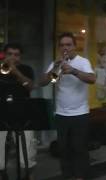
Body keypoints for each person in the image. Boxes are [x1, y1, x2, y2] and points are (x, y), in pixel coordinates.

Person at [40, 32, 96, 180]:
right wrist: (55, 67)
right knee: (63, 149)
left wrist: (73, 71)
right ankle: (68, 176)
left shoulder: (83, 62)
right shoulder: (56, 63)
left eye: (68, 45)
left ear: (74, 46)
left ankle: (80, 177)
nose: (65, 48)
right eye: (62, 45)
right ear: (59, 47)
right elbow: (43, 82)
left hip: (80, 114)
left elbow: (92, 79)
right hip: (61, 113)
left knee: (79, 149)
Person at [0, 43, 36, 180]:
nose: (13, 57)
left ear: (20, 57)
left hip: (24, 118)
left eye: (16, 55)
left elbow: (30, 87)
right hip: (1, 117)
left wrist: (16, 72)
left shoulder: (26, 69)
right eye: (10, 54)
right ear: (4, 55)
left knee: (26, 161)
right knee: (0, 163)